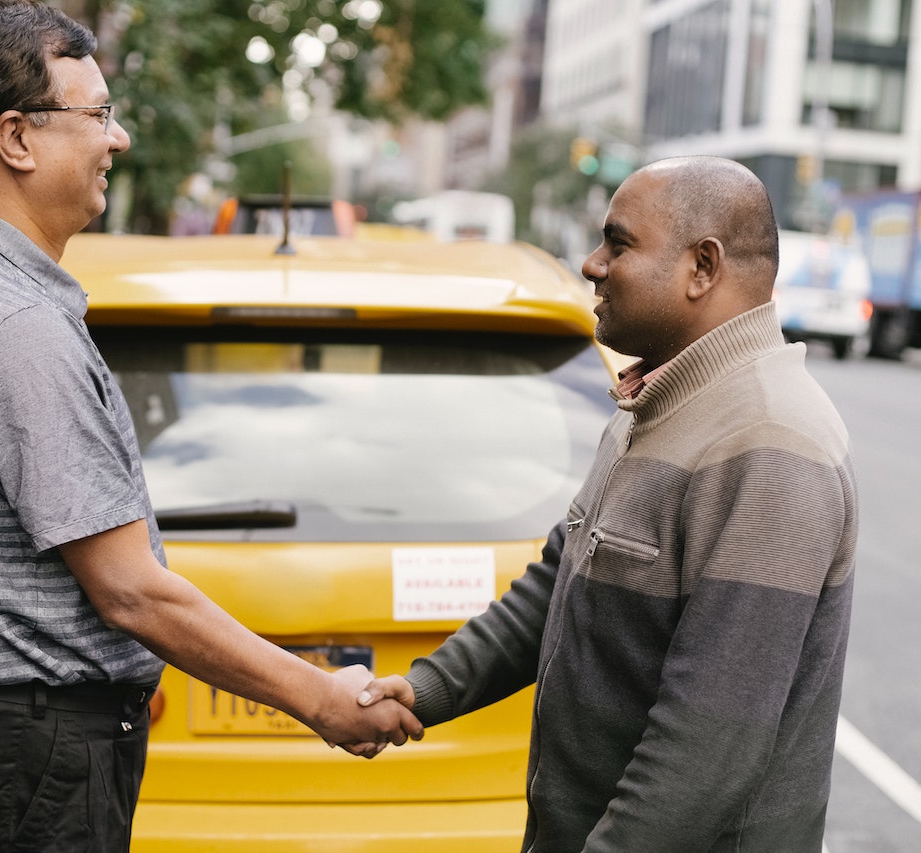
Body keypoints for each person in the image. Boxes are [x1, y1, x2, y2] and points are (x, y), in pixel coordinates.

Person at [0, 2, 420, 851]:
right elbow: (130, 589)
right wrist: (315, 696)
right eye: (98, 115)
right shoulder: (14, 324)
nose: (116, 141)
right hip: (25, 765)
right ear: (15, 138)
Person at [359, 156, 859, 852]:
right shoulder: (656, 400)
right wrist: (424, 690)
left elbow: (705, 751)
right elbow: (558, 584)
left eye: (618, 243)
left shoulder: (769, 442)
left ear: (702, 267)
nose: (592, 264)